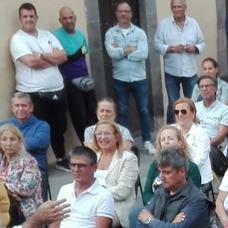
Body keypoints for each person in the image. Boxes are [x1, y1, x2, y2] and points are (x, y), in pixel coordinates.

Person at [11, 3, 69, 168]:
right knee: (37, 131)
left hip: (57, 89)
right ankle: (37, 164)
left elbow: (63, 57)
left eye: (31, 16)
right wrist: (52, 58)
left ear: (36, 17)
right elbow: (31, 62)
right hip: (33, 93)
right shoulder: (17, 39)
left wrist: (42, 55)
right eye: (25, 16)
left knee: (60, 127)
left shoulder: (47, 35)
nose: (29, 19)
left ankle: (60, 158)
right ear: (20, 19)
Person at [105, 1, 153, 153]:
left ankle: (147, 141)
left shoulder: (139, 33)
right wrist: (131, 50)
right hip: (120, 79)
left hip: (139, 78)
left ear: (131, 14)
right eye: (121, 11)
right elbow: (111, 53)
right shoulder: (111, 33)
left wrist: (122, 52)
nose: (124, 14)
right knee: (122, 112)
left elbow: (143, 54)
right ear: (117, 14)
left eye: (126, 11)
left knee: (144, 110)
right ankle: (125, 142)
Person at [54, 6, 97, 165]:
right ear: (60, 20)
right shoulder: (56, 36)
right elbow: (63, 58)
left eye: (71, 17)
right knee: (80, 118)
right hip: (69, 82)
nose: (68, 21)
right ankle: (87, 150)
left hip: (85, 79)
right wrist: (75, 55)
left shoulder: (79, 34)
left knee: (93, 114)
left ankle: (96, 147)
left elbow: (82, 56)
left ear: (75, 18)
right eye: (65, 18)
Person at [91, 121, 141, 228]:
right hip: (91, 202)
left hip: (117, 206)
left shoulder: (128, 158)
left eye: (107, 133)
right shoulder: (92, 157)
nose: (102, 137)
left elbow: (122, 191)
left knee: (87, 221)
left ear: (117, 137)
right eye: (99, 134)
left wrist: (95, 193)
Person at [155, 0, 205, 121]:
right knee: (173, 103)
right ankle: (172, 130)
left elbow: (202, 43)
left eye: (179, 7)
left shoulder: (193, 23)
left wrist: (194, 48)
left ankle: (193, 129)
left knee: (193, 103)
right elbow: (156, 45)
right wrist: (171, 49)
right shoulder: (164, 24)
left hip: (190, 71)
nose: (176, 9)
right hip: (172, 71)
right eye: (174, 7)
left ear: (185, 8)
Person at [0, 124, 42, 219]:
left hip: (25, 211)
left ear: (19, 141)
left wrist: (3, 185)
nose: (8, 143)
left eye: (12, 139)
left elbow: (27, 188)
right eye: (4, 139)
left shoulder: (29, 161)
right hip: (2, 208)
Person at [143, 125, 203, 203]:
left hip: (180, 209)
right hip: (155, 208)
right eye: (163, 139)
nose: (166, 141)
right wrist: (152, 205)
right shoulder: (155, 165)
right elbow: (147, 192)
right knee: (135, 213)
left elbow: (193, 196)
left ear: (180, 142)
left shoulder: (191, 168)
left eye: (170, 138)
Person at [171, 98, 213, 188]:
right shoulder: (171, 130)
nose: (180, 115)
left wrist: (181, 172)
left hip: (198, 178)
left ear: (193, 113)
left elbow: (199, 160)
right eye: (176, 112)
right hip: (173, 175)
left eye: (183, 111)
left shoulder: (201, 133)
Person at [195, 74, 228, 161]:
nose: (204, 89)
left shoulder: (225, 110)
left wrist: (204, 146)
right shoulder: (194, 108)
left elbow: (220, 137)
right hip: (194, 145)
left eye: (207, 86)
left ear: (215, 88)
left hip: (213, 148)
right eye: (202, 86)